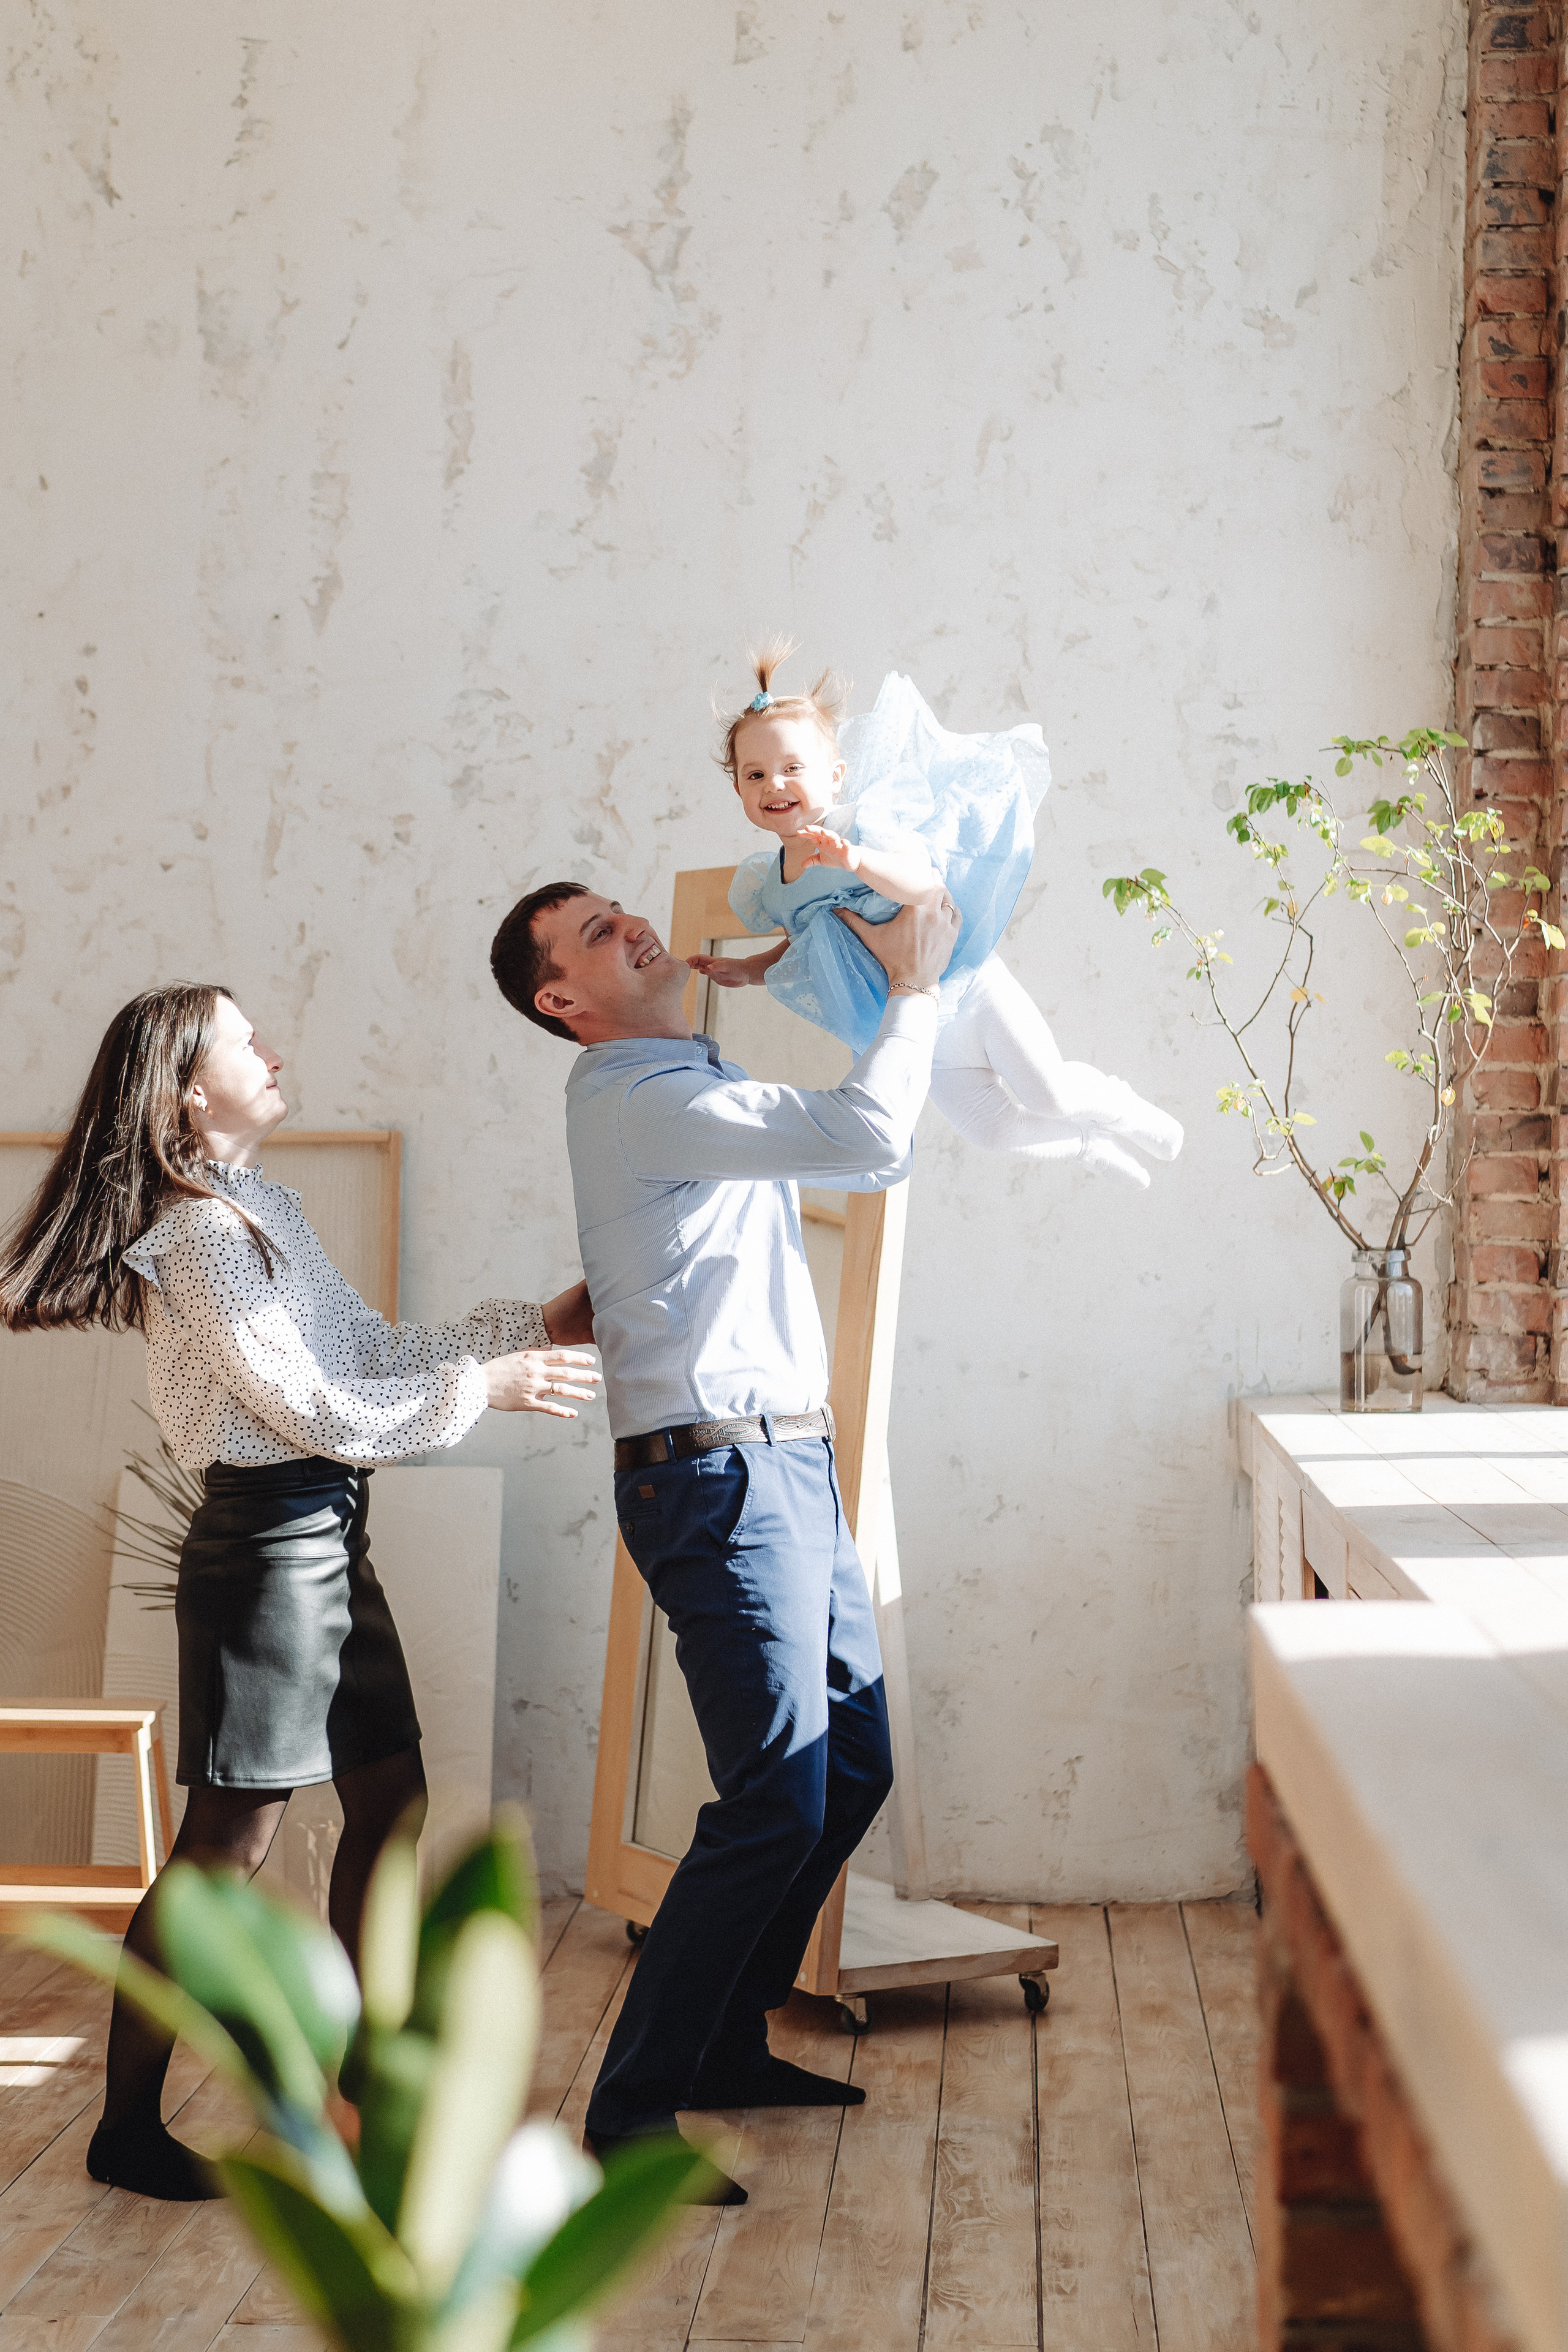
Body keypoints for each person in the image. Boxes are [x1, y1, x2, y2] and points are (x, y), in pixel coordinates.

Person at [0, 982, 600, 2201]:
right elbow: (311, 1408)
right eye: (243, 1040)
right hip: (264, 1556)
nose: (272, 1050)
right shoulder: (199, 1238)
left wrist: (530, 1325)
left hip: (326, 1540)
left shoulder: (260, 1208)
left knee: (391, 1802)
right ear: (186, 1091)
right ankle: (126, 2131)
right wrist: (487, 1387)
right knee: (226, 1847)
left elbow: (365, 1354)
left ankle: (369, 2075)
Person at [489, 876, 960, 2205]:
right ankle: (632, 2114)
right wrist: (914, 986)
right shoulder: (642, 1098)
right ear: (562, 1000)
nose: (633, 925)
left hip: (784, 1463)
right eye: (596, 933)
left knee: (848, 1767)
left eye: (619, 909)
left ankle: (723, 2043)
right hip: (721, 1483)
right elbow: (869, 1138)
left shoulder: (679, 1081)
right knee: (774, 1798)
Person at [689, 643, 1184, 1184]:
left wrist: (856, 860)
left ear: (834, 776)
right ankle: (1087, 1145)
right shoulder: (774, 884)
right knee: (991, 1130)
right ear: (738, 788)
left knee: (1050, 1094)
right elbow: (807, 943)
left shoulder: (862, 827)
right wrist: (750, 969)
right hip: (908, 1022)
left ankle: (1120, 1107)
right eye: (755, 775)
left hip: (966, 989)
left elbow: (925, 885)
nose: (774, 784)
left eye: (792, 768)